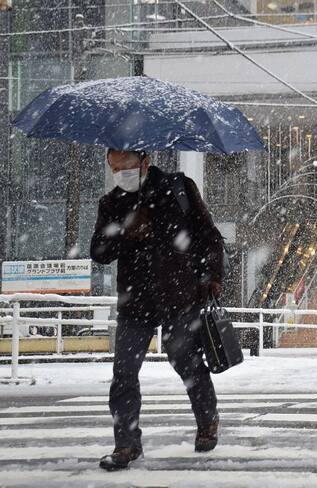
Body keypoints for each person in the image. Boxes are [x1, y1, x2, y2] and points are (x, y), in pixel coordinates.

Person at [91, 149, 224, 471]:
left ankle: (207, 419)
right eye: (114, 167)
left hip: (179, 293)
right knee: (123, 373)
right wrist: (126, 231)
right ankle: (126, 444)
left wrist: (212, 276)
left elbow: (208, 234)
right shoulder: (111, 203)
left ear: (145, 162)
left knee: (187, 362)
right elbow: (99, 251)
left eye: (126, 166)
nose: (120, 173)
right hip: (135, 302)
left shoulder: (178, 188)